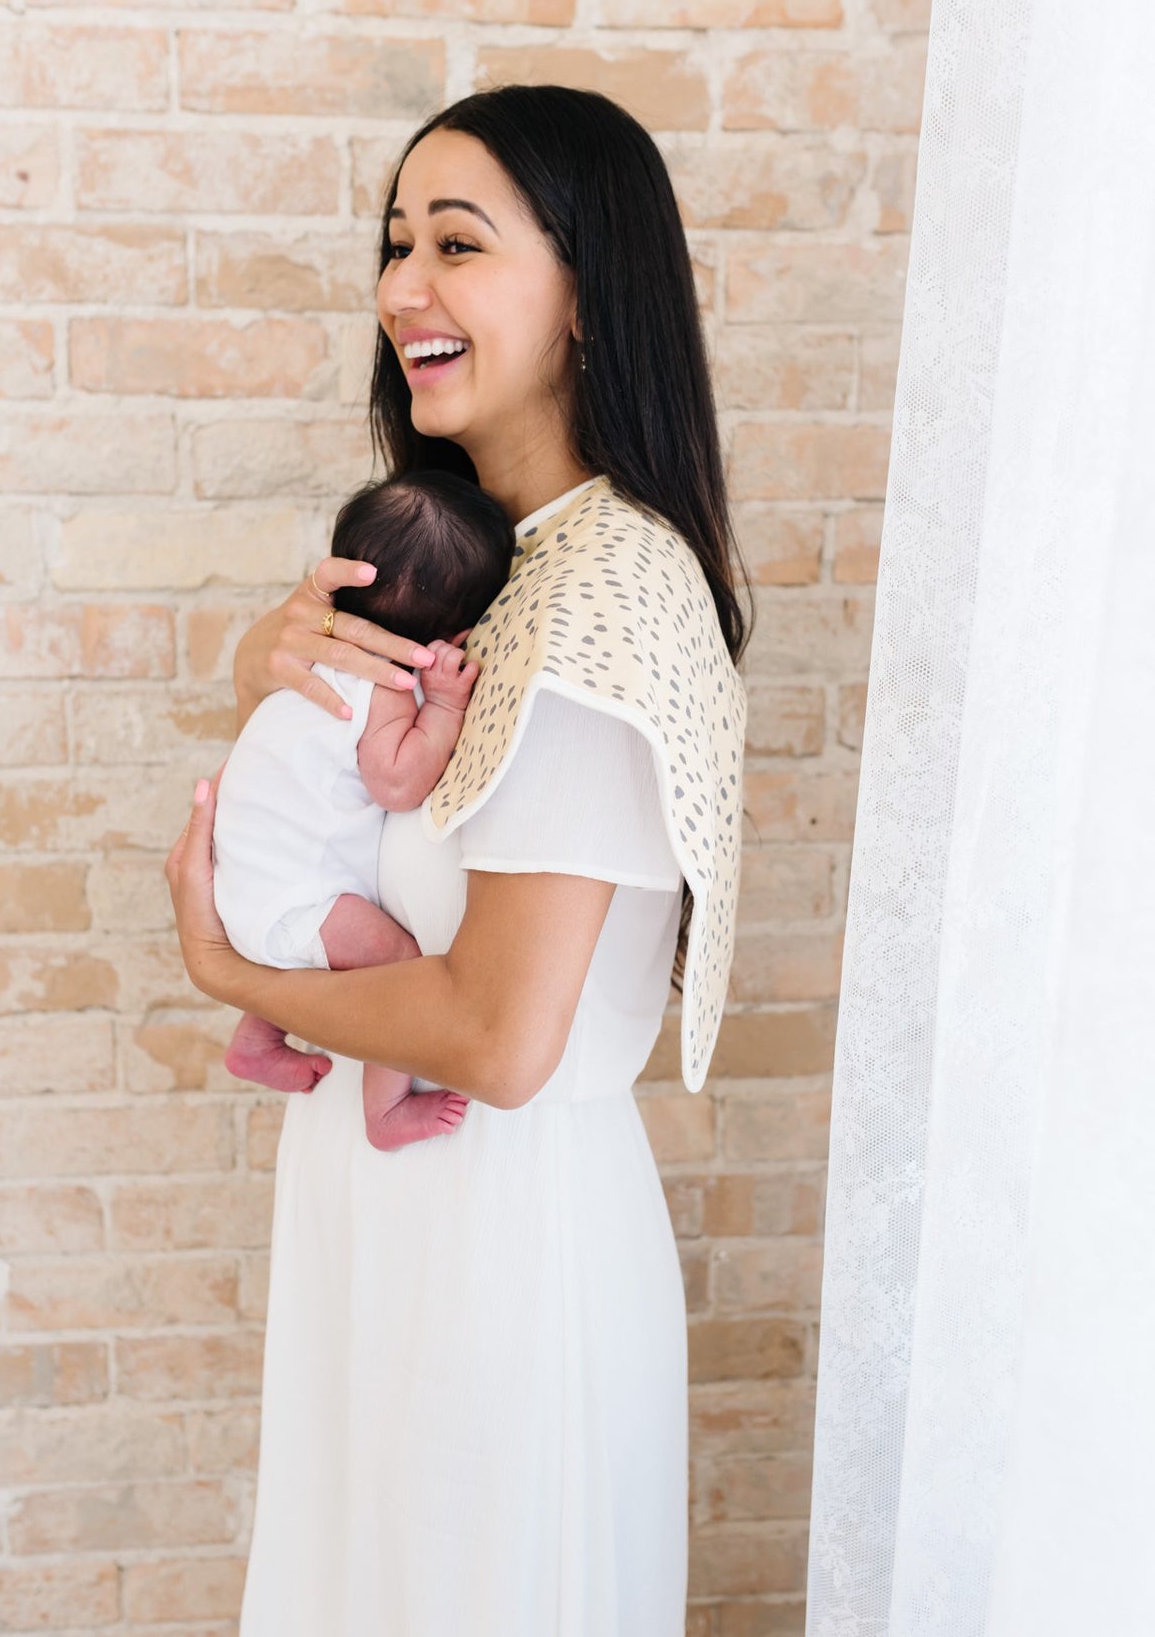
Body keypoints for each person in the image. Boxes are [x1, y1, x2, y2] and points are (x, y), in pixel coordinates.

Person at [166, 84, 750, 1636]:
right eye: (394, 241)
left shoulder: (601, 595)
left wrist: (225, 968)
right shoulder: (479, 569)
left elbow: (496, 1038)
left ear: (586, 296)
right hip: (392, 1225)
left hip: (500, 1249)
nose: (401, 286)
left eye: (458, 244)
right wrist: (266, 673)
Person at [212, 470, 514, 1150]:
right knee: (401, 969)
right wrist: (445, 706)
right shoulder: (384, 686)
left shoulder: (308, 660)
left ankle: (256, 1038)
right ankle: (385, 1109)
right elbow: (397, 784)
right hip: (294, 899)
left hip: (249, 883)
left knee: (328, 951)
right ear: (459, 632)